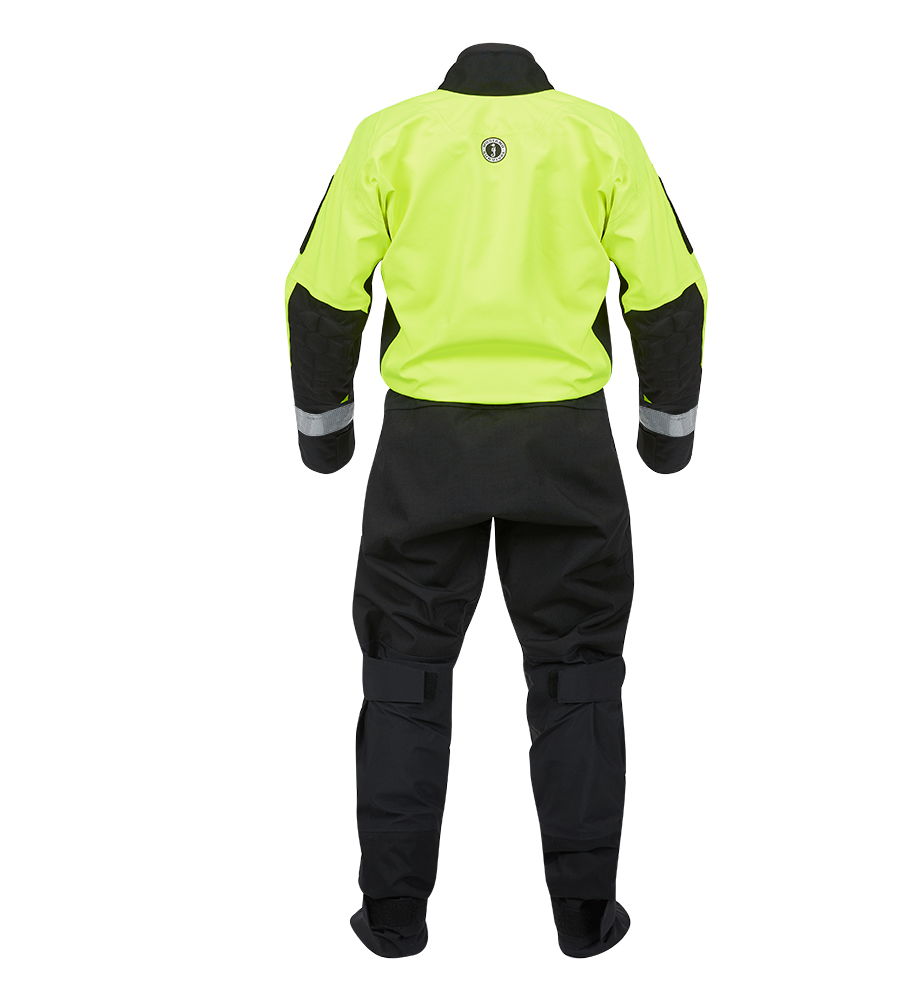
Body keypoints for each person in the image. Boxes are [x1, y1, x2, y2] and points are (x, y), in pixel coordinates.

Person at [283, 41, 707, 959]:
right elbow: (672, 293)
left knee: (403, 671)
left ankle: (392, 917)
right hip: (565, 446)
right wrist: (665, 438)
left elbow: (320, 293)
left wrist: (327, 437)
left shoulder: (391, 136)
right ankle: (585, 918)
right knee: (579, 669)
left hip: (426, 446)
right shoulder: (600, 136)